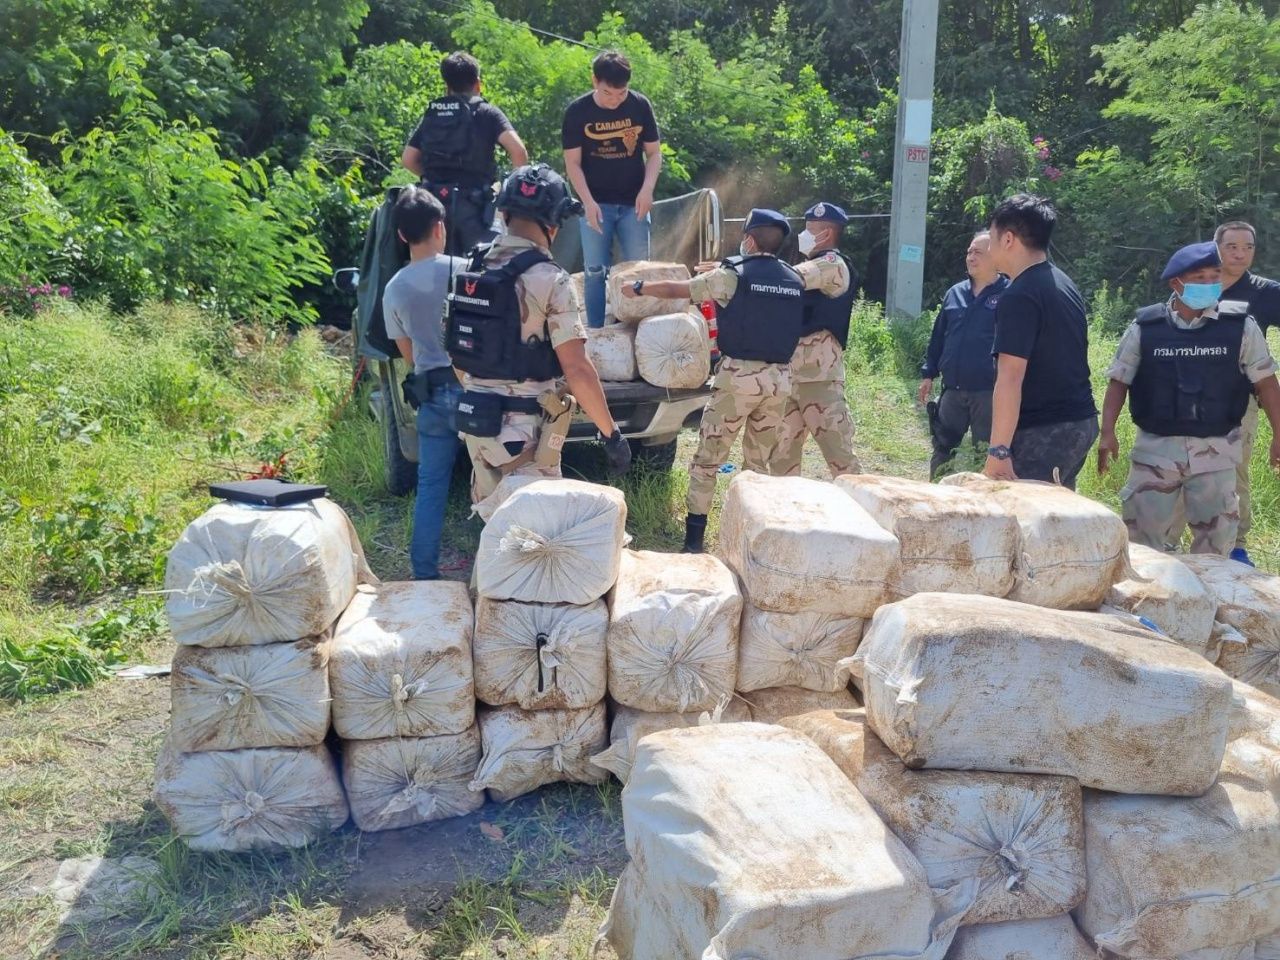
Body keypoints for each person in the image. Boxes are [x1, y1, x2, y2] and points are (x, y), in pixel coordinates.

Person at [445, 163, 631, 501]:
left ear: (503, 212)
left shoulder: (470, 269)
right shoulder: (551, 279)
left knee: (494, 520)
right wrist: (611, 434)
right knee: (533, 528)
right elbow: (577, 369)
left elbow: (456, 352)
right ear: (554, 223)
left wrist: (483, 390)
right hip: (525, 437)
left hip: (476, 424)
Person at [622, 209, 804, 553]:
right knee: (757, 465)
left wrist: (640, 287)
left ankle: (694, 544)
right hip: (779, 380)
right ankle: (748, 540)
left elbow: (680, 289)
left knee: (708, 460)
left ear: (749, 239)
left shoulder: (732, 275)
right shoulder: (794, 279)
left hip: (738, 380)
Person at [1097, 240, 1280, 554]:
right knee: (1142, 548)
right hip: (1155, 454)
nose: (1210, 284)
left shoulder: (1240, 327)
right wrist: (1107, 432)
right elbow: (1119, 381)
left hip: (1216, 454)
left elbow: (1266, 384)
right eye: (1199, 278)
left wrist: (1278, 434)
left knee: (1215, 550)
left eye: (1214, 276)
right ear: (1176, 283)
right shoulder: (1146, 327)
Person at [983, 194, 1098, 488]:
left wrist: (999, 450)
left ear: (1008, 239)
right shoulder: (1062, 282)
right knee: (1055, 511)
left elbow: (1010, 376)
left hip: (1045, 430)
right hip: (1078, 423)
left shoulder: (1019, 295)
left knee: (1018, 510)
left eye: (992, 238)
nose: (989, 248)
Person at [382, 187, 469, 579]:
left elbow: (410, 357)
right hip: (476, 392)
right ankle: (499, 571)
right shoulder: (466, 271)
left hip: (431, 395)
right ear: (440, 228)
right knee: (497, 480)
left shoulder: (394, 288)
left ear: (402, 235)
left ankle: (424, 573)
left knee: (431, 485)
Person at [562, 50, 662, 329]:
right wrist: (587, 202)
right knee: (595, 271)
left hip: (634, 203)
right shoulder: (577, 112)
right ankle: (595, 331)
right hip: (595, 203)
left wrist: (647, 190)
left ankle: (638, 330)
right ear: (595, 81)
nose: (615, 100)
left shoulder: (640, 105)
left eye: (621, 93)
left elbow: (654, 154)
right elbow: (572, 163)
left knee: (638, 270)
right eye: (608, 93)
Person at [402, 51, 529, 256]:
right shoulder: (487, 112)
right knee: (478, 266)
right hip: (475, 206)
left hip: (433, 206)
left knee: (436, 264)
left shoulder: (434, 114)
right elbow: (519, 152)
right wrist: (510, 196)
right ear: (478, 84)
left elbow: (408, 159)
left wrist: (434, 179)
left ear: (447, 86)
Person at [773, 202, 861, 478]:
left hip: (820, 380)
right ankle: (785, 506)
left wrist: (745, 269)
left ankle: (862, 505)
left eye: (810, 230)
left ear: (826, 235)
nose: (803, 235)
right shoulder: (806, 267)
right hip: (790, 377)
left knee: (842, 463)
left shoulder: (832, 265)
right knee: (781, 461)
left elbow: (786, 277)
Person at [1216, 220, 1280, 565]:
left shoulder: (1264, 292)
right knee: (1182, 471)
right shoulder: (1199, 284)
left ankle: (1237, 547)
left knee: (1234, 473)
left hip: (1241, 401)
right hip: (1190, 401)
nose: (1240, 254)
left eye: (1247, 247)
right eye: (1232, 247)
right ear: (1217, 249)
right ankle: (1170, 545)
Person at [919, 231, 1007, 478]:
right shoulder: (955, 293)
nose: (970, 257)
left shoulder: (1009, 293)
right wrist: (929, 373)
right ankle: (936, 493)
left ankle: (983, 499)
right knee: (942, 449)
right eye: (969, 252)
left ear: (994, 256)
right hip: (953, 389)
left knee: (984, 454)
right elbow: (939, 336)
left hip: (988, 392)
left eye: (977, 252)